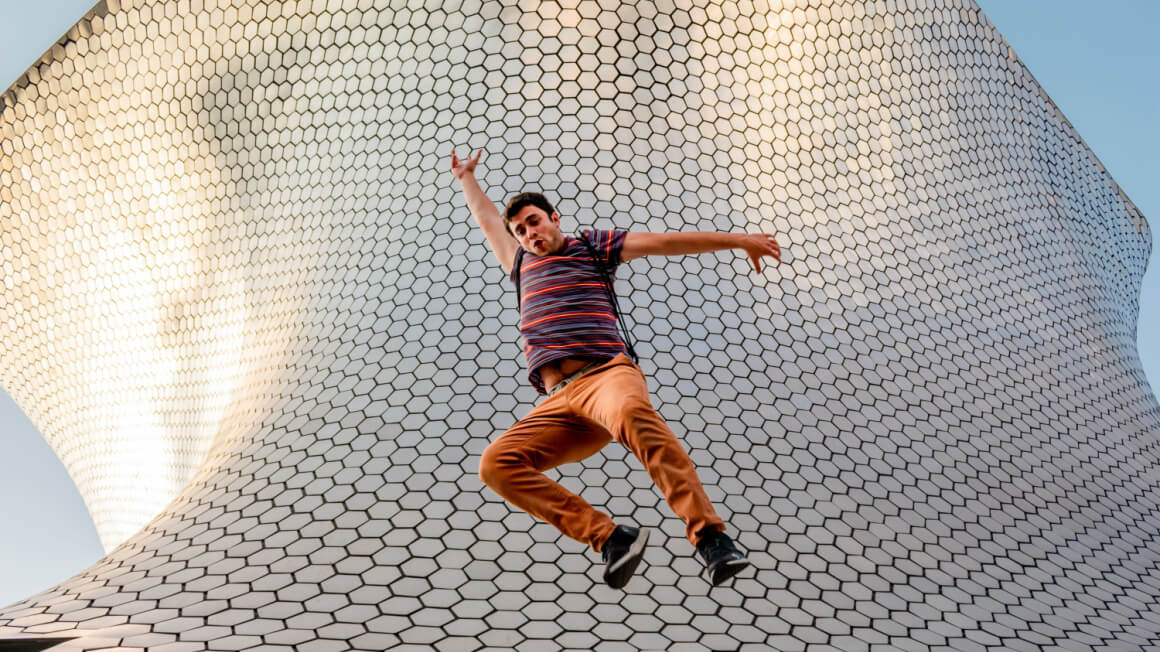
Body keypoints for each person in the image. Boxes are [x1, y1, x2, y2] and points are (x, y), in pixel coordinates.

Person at [450, 148, 781, 588]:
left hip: (605, 376)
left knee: (632, 416)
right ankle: (612, 539)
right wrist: (466, 178)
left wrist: (736, 240)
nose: (528, 233)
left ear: (554, 218)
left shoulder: (592, 245)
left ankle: (711, 540)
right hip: (560, 401)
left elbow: (663, 243)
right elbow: (485, 217)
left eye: (534, 221)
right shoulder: (520, 263)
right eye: (520, 229)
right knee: (496, 464)